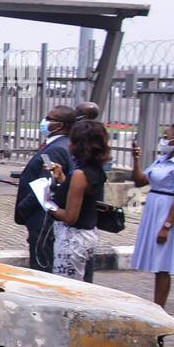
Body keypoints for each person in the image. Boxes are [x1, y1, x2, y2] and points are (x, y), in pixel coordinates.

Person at [129, 123, 174, 307]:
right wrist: (136, 160)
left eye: (167, 136)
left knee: (163, 265)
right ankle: (156, 305)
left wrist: (167, 227)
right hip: (154, 207)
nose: (164, 139)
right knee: (156, 262)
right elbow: (140, 181)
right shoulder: (162, 159)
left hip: (168, 211)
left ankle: (159, 307)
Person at [15, 105, 77, 272]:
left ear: (60, 125)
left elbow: (45, 183)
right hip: (42, 217)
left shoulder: (57, 148)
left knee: (42, 267)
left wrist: (24, 208)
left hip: (42, 219)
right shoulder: (58, 144)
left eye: (49, 119)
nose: (45, 122)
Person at [46, 119, 108, 281]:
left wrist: (48, 205)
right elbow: (79, 196)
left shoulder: (80, 174)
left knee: (66, 289)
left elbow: (70, 216)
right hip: (86, 235)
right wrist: (62, 179)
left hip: (72, 241)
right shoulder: (95, 169)